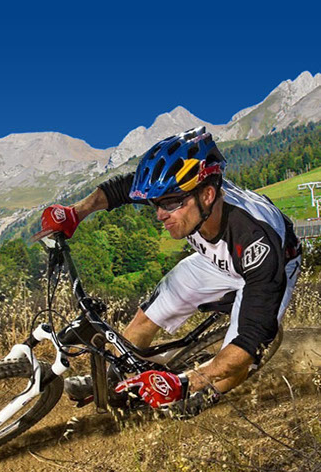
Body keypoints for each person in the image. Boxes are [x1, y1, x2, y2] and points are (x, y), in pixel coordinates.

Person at [34, 127, 302, 416]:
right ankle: (114, 381)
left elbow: (249, 341)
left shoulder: (255, 239)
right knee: (145, 317)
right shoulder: (185, 195)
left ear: (208, 195)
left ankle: (196, 399)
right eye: (156, 204)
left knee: (238, 357)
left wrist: (185, 383)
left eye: (171, 204)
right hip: (214, 260)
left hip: (267, 267)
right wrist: (76, 212)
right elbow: (122, 188)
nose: (161, 214)